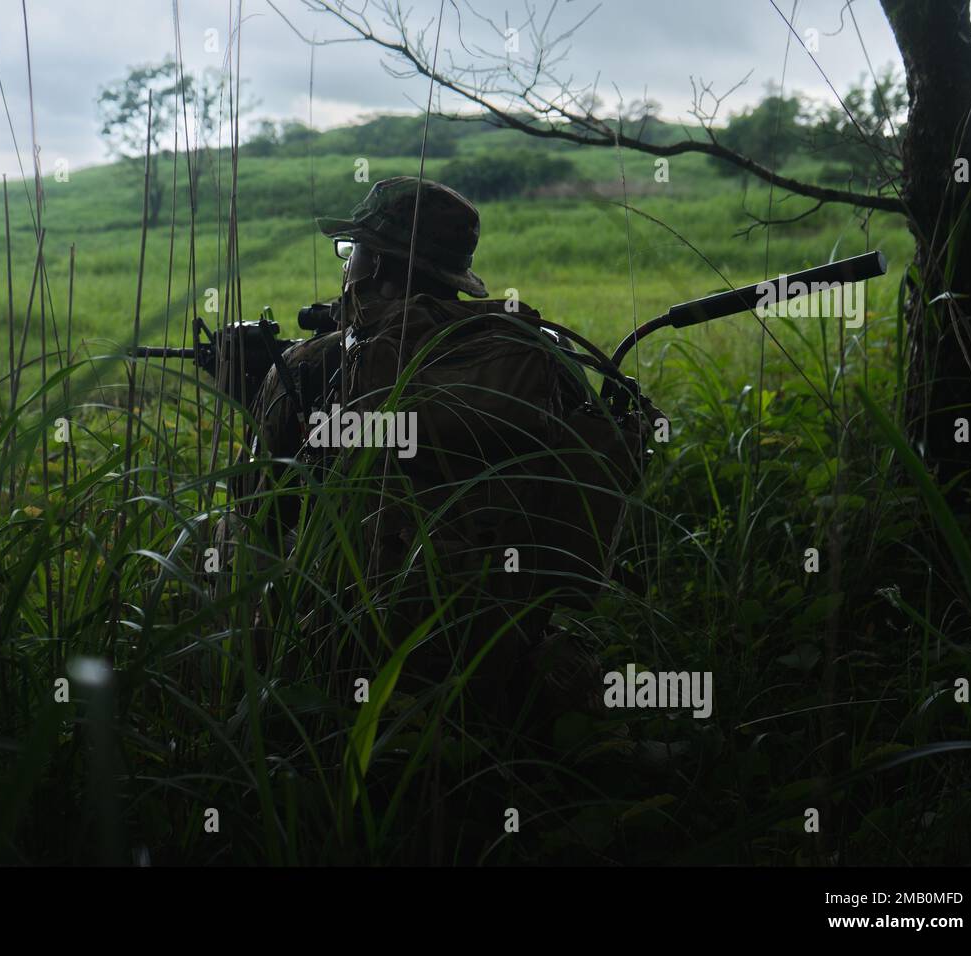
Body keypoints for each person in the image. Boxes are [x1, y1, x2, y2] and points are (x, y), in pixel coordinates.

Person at [229, 176, 654, 716]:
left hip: (345, 663)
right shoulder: (540, 356)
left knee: (224, 536)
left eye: (351, 249)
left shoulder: (314, 367)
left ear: (376, 264)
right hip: (498, 662)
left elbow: (259, 510)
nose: (345, 265)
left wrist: (258, 396)